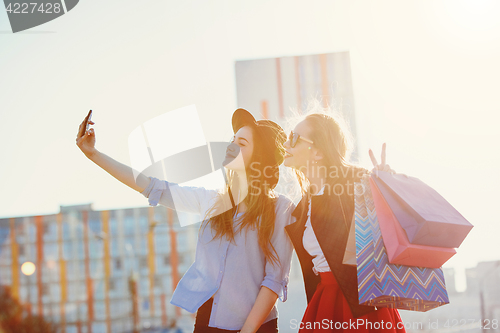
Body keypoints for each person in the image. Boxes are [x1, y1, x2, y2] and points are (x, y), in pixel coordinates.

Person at [75, 108, 294, 333]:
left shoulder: (281, 208)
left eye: (242, 142)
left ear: (259, 157)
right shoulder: (212, 200)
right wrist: (93, 154)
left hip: (258, 327)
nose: (231, 145)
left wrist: (247, 331)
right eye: (232, 139)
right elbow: (151, 186)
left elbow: (274, 280)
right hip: (209, 323)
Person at [282, 103, 405, 333]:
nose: (286, 144)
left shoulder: (357, 183)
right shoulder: (302, 206)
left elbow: (392, 234)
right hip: (324, 302)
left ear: (318, 152)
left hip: (363, 306)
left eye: (295, 137)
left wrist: (387, 188)